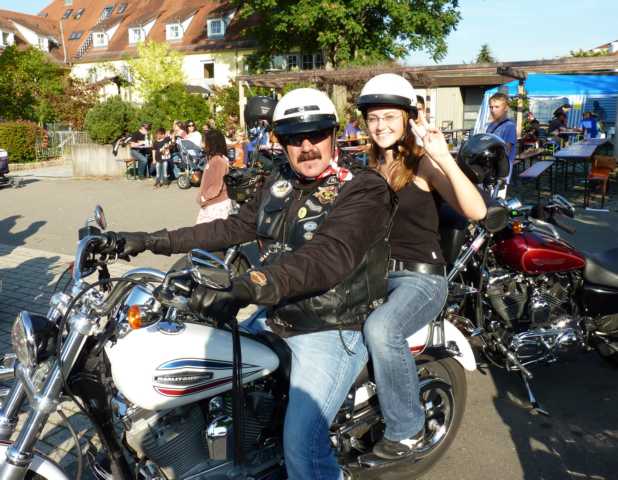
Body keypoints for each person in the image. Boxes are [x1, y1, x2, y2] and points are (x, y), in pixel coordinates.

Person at [110, 87, 395, 479]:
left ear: (333, 134)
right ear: (281, 141)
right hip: (279, 312)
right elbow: (231, 228)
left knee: (303, 447)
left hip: (332, 326)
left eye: (316, 134)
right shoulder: (280, 181)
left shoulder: (362, 187)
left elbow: (326, 258)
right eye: (294, 137)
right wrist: (148, 241)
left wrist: (245, 286)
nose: (307, 147)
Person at [355, 73, 487, 463]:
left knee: (382, 329)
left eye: (389, 117)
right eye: (373, 118)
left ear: (408, 118)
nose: (380, 125)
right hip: (375, 274)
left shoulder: (423, 165)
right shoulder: (368, 167)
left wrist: (443, 157)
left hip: (420, 278)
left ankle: (407, 429)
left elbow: (476, 210)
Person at [196, 129, 232, 223]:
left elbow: (216, 186)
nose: (202, 144)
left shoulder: (218, 161)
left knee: (205, 230)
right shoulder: (214, 159)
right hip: (213, 204)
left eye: (205, 141)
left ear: (211, 143)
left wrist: (203, 198)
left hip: (216, 205)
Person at [486, 93, 517, 182]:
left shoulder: (509, 126)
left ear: (506, 108)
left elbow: (506, 150)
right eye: (491, 107)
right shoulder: (490, 126)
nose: (493, 110)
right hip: (490, 168)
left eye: (497, 107)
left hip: (502, 171)